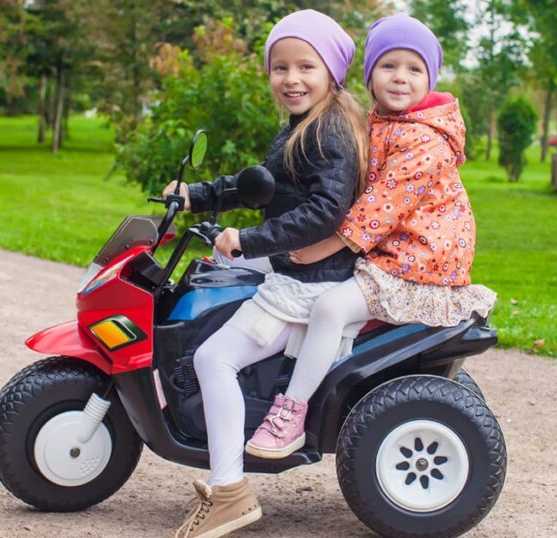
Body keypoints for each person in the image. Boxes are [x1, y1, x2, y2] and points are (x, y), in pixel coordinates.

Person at [243, 13, 497, 460]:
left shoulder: (424, 139)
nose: (400, 78)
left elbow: (379, 209)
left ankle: (292, 412)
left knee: (329, 307)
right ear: (370, 75)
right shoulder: (381, 122)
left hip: (416, 263)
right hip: (391, 251)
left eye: (413, 69)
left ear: (429, 78)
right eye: (389, 66)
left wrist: (319, 246)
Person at [163, 9, 369, 538]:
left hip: (309, 284)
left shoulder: (330, 135)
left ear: (332, 72)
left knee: (214, 358)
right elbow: (260, 186)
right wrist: (197, 196)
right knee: (212, 275)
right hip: (297, 271)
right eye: (280, 67)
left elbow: (325, 210)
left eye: (306, 66)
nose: (291, 78)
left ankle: (230, 489)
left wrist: (251, 240)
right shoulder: (306, 126)